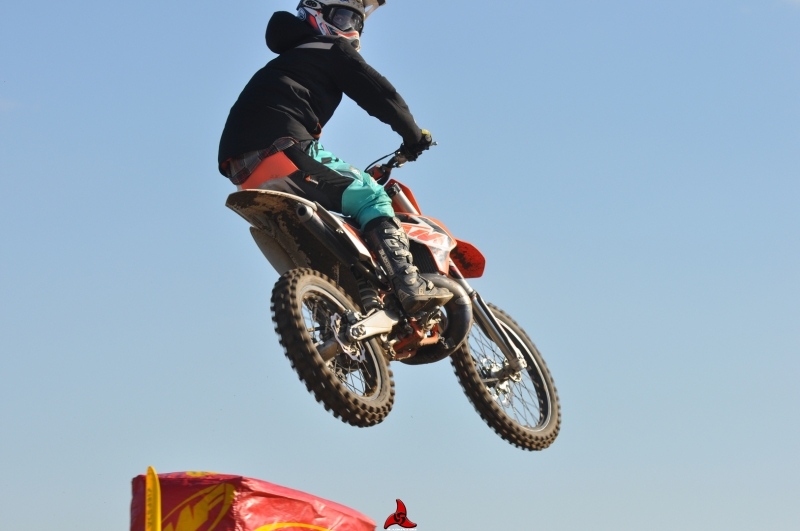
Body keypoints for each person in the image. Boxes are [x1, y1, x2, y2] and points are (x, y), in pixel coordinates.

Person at [218, 0, 451, 314]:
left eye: (356, 22)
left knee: (333, 231)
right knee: (372, 196)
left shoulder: (287, 62)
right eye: (342, 18)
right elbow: (380, 94)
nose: (350, 29)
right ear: (314, 13)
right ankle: (408, 283)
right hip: (283, 149)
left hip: (242, 172)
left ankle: (336, 313)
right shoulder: (329, 48)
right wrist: (413, 135)